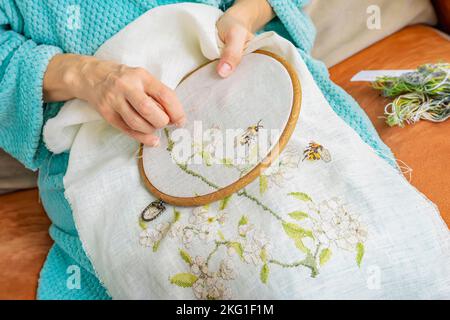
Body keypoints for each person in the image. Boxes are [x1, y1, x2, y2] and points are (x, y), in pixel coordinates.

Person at [0, 0, 390, 299]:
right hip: (102, 132)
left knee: (366, 228)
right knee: (240, 274)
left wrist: (243, 16)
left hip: (239, 75)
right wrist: (86, 76)